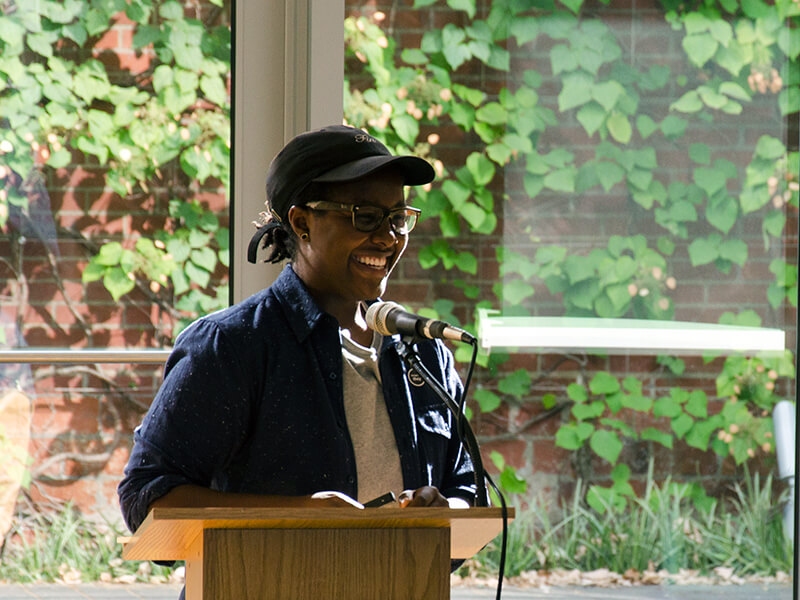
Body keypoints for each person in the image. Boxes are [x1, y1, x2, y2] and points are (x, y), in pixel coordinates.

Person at [117, 125, 476, 557]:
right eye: (365, 216)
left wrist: (442, 510)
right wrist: (299, 516)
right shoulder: (231, 346)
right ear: (302, 222)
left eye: (397, 218)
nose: (387, 237)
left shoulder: (422, 352)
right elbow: (148, 499)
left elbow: (467, 487)